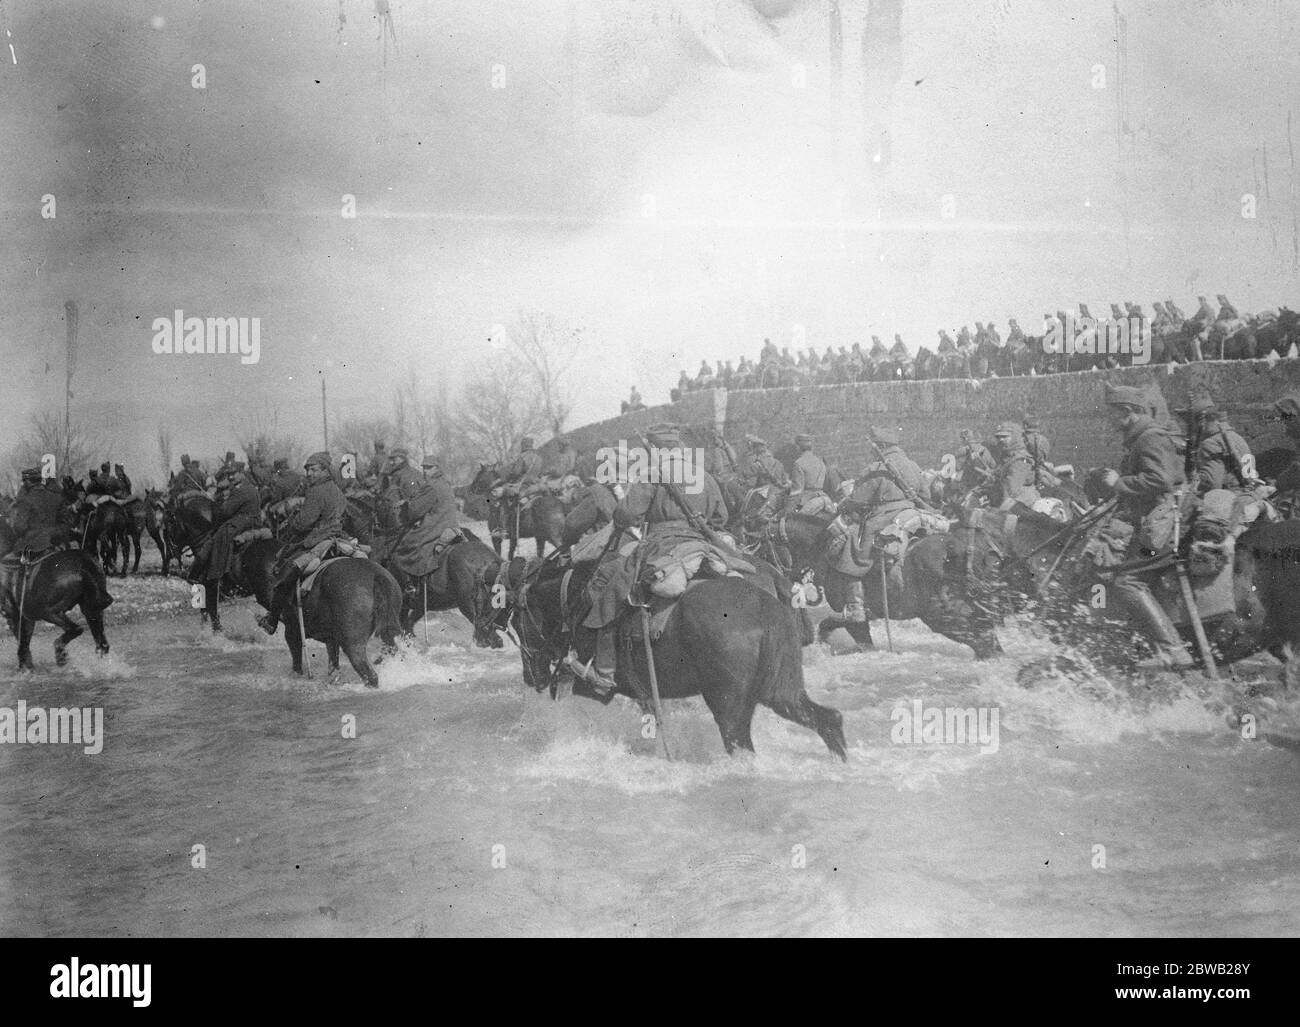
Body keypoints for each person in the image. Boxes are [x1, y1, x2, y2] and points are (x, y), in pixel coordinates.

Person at [566, 424, 728, 699]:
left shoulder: (653, 474)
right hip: (700, 545)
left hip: (661, 545)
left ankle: (604, 672)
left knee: (610, 589)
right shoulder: (705, 476)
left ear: (655, 448)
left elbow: (625, 516)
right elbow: (720, 519)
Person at [1099, 384, 1193, 670]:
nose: (1109, 420)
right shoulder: (1141, 437)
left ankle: (1172, 649)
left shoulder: (1149, 438)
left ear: (1127, 412)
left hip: (1162, 522)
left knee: (1127, 580)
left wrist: (1119, 483)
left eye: (1112, 414)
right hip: (1154, 518)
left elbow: (1160, 480)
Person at [257, 452, 348, 636]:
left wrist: (292, 522)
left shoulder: (316, 491)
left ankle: (272, 620)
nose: (309, 474)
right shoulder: (337, 489)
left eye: (314, 470)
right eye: (307, 470)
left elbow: (304, 522)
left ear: (324, 470)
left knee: (286, 573)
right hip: (340, 538)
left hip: (318, 540)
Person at [390, 456, 461, 589]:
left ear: (437, 468)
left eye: (429, 468)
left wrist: (406, 506)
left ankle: (409, 586)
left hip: (435, 526)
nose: (425, 471)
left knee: (403, 547)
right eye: (423, 467)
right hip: (451, 525)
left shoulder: (431, 486)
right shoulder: (445, 483)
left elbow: (415, 511)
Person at [188, 462, 262, 584]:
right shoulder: (249, 486)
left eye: (233, 474)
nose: (230, 477)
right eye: (229, 474)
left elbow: (225, 512)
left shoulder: (240, 490)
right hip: (253, 521)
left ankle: (215, 575)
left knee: (218, 538)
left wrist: (215, 503)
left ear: (241, 473)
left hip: (241, 521)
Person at [1175, 395, 1260, 495]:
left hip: (1227, 501)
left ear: (1202, 421)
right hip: (1247, 497)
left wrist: (1192, 484)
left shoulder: (1210, 444)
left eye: (1190, 423)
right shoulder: (1236, 437)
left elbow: (1211, 485)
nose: (1190, 429)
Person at [3, 467, 74, 557]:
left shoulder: (26, 500)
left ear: (28, 482)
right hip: (55, 544)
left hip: (33, 547)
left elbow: (20, 527)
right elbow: (66, 523)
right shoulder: (57, 497)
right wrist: (52, 534)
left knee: (4, 565)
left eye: (24, 482)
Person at [984, 423, 1040, 508]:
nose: (1001, 440)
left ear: (1015, 437)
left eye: (1005, 437)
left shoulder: (1021, 459)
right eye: (999, 437)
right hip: (1006, 497)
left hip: (1021, 501)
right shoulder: (1007, 456)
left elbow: (1012, 490)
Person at [787, 433, 831, 514]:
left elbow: (796, 492)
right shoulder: (821, 462)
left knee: (790, 523)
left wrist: (788, 511)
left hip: (808, 501)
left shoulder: (799, 463)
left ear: (798, 447)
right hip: (826, 500)